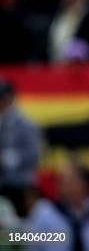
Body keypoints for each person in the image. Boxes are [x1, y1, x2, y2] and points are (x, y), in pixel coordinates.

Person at [0, 79, 41, 217]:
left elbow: (35, 154)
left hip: (20, 185)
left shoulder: (25, 124)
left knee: (20, 229)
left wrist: (9, 158)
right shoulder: (2, 122)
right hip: (3, 185)